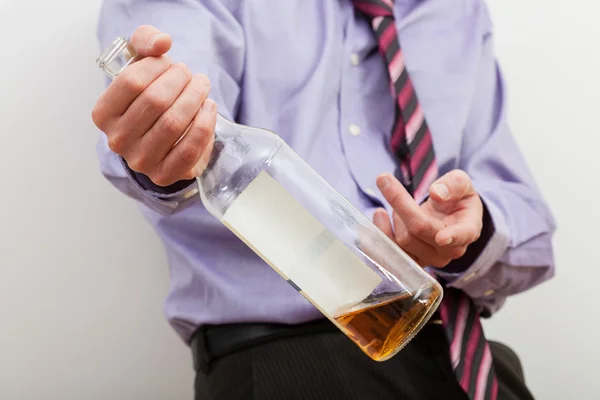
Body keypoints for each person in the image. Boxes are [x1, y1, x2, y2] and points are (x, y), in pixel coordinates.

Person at [91, 0, 556, 399]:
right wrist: (164, 128)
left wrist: (467, 235)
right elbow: (176, 117)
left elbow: (525, 219)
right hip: (292, 360)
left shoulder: (455, 11)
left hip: (474, 366)